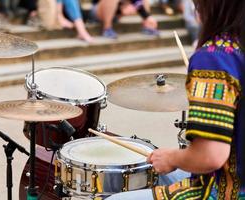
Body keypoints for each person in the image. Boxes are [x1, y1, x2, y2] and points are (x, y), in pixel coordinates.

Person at [107, 0, 245, 199]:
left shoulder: (217, 57)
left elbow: (210, 155)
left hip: (224, 192)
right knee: (156, 175)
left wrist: (172, 157)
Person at [91, 0, 159, 39]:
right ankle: (107, 28)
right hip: (98, 11)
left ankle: (147, 25)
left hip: (117, 13)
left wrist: (146, 16)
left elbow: (137, 1)